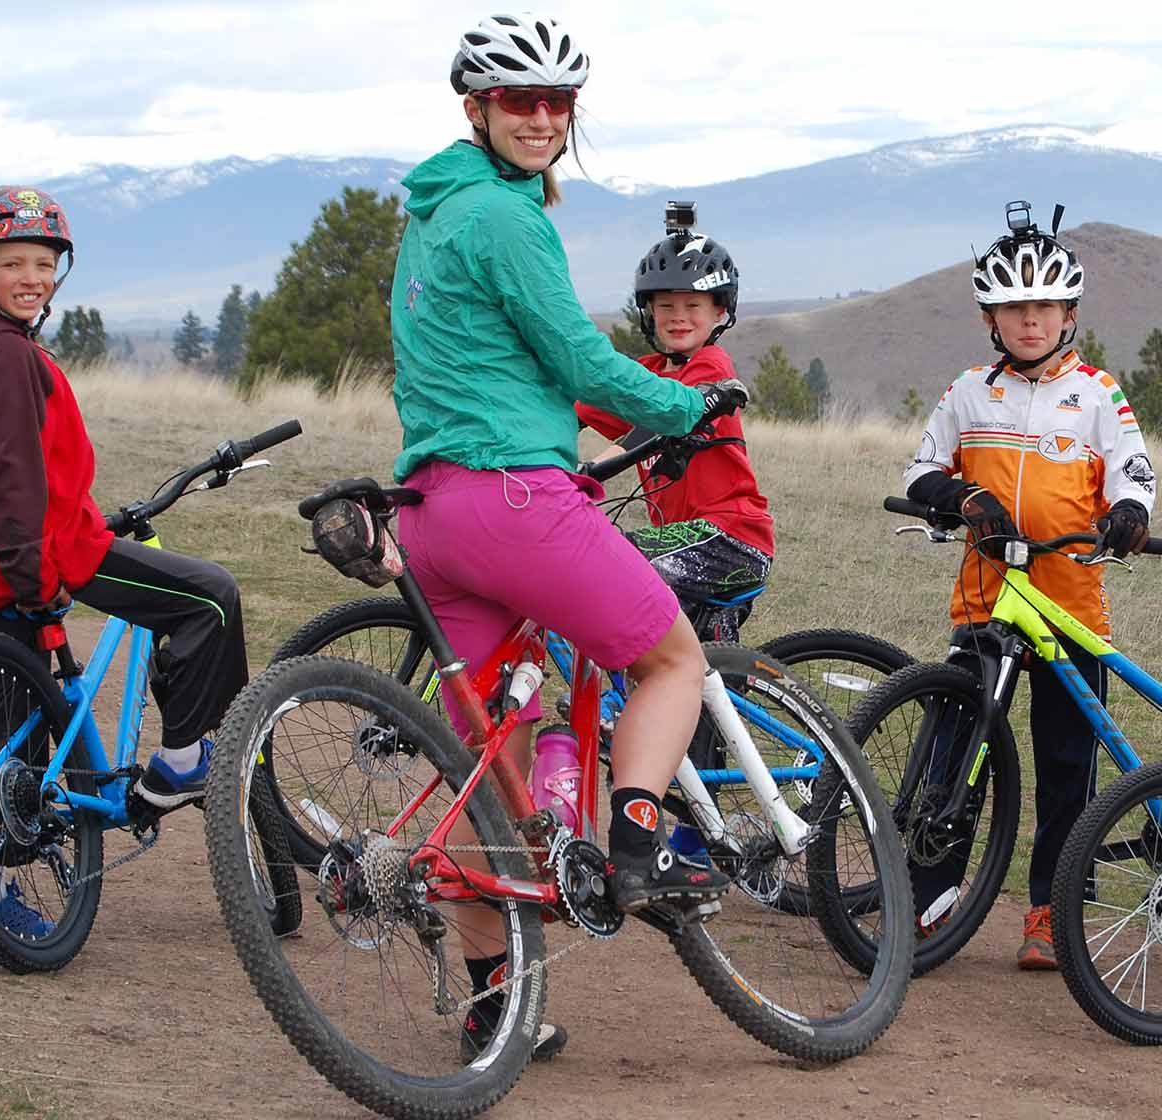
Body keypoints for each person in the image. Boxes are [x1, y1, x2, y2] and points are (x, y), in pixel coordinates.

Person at [392, 12, 745, 1059]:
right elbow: (580, 360)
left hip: (432, 510)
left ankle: (494, 1009)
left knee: (486, 766)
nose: (542, 119)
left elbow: (498, 357)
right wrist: (688, 406)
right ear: (478, 107)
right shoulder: (507, 219)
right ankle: (636, 850)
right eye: (521, 101)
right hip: (514, 500)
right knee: (673, 655)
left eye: (558, 103)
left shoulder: (433, 210)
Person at [0, 184, 250, 945]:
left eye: (44, 262)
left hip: (2, 561)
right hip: (47, 557)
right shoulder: (6, 355)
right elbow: (12, 475)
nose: (32, 276)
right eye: (12, 263)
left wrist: (17, 545)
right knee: (208, 601)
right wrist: (38, 566)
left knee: (21, 734)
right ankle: (181, 763)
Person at [902, 201, 1156, 970]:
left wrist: (1129, 515)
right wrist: (957, 498)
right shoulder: (970, 392)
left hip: (1072, 609)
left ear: (1068, 313)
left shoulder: (1099, 394)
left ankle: (1050, 913)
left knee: (1066, 771)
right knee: (955, 758)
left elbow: (1136, 474)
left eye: (1042, 307)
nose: (1030, 321)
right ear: (992, 319)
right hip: (986, 606)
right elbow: (919, 469)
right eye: (1014, 309)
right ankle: (928, 898)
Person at [576, 206, 774, 643]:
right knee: (701, 680)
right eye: (665, 305)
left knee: (606, 560)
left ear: (720, 311)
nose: (677, 316)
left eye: (692, 305)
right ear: (648, 312)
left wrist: (589, 471)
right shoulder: (646, 375)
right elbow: (580, 403)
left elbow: (660, 424)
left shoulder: (711, 368)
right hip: (682, 540)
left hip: (728, 538)